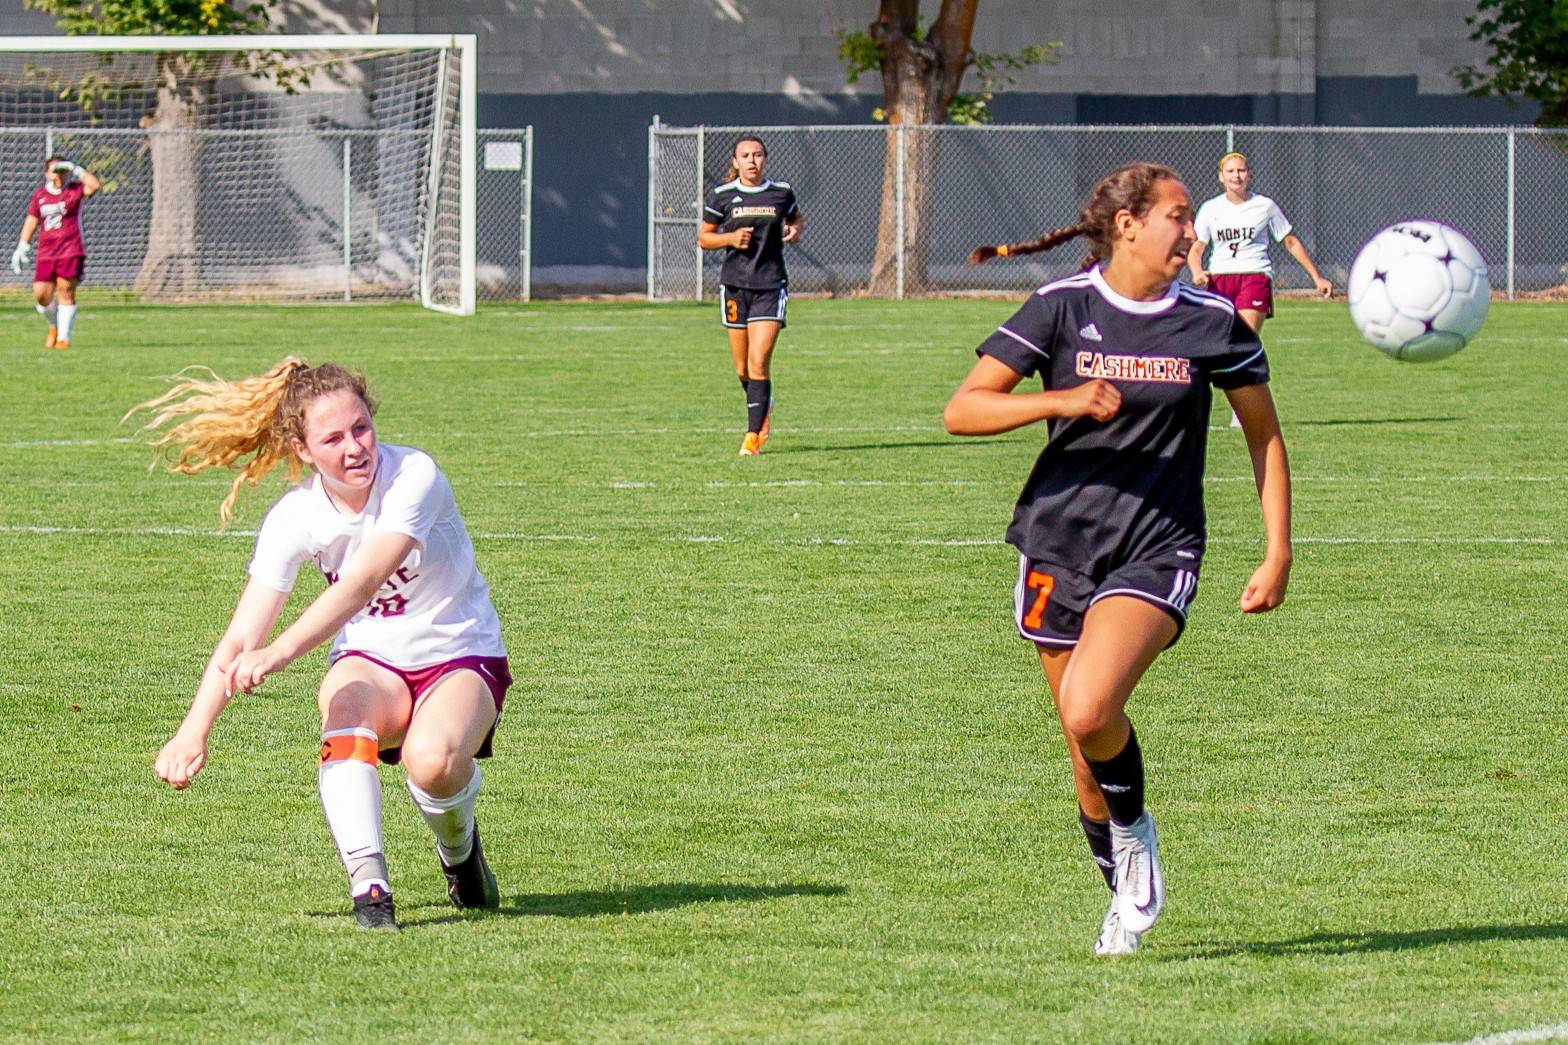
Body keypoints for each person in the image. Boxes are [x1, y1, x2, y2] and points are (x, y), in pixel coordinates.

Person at [951, 162, 1292, 955]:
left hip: (1157, 544)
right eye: (1178, 216)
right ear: (1128, 225)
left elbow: (1265, 437)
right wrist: (1060, 398)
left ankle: (1136, 832)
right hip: (1057, 545)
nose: (1192, 231)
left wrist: (1278, 551)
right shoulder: (1062, 307)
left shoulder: (1212, 320)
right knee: (1082, 752)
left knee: (1089, 707)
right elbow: (963, 409)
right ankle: (1120, 895)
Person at [138, 359, 510, 932]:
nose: (355, 447)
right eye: (332, 438)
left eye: (361, 427)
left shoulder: (415, 476)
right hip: (372, 660)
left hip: (459, 651)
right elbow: (241, 635)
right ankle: (371, 889)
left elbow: (361, 583)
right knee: (346, 713)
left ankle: (460, 855)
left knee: (430, 764)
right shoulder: (296, 517)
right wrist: (194, 729)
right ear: (302, 448)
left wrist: (281, 653)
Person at [698, 135, 803, 456]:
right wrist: (729, 237)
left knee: (759, 363)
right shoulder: (722, 196)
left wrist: (795, 231)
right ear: (735, 162)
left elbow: (795, 218)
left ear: (765, 159)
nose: (752, 161)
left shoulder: (781, 193)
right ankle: (763, 403)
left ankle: (752, 436)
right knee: (742, 369)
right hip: (734, 287)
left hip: (770, 286)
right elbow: (704, 238)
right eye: (745, 156)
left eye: (757, 155)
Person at [12, 155, 100, 350]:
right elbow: (31, 220)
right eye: (54, 170)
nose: (58, 175)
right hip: (46, 252)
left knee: (65, 291)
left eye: (62, 171)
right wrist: (22, 245)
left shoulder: (74, 190)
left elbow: (94, 185)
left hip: (71, 249)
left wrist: (76, 168)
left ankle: (63, 338)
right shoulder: (40, 196)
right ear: (46, 173)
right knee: (41, 295)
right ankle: (54, 325)